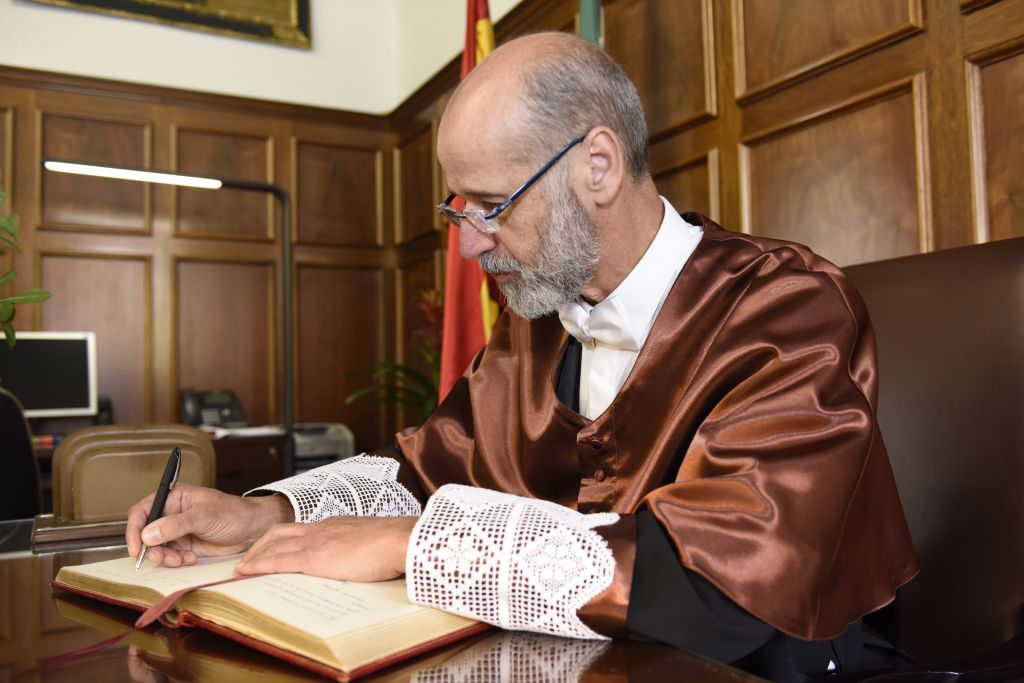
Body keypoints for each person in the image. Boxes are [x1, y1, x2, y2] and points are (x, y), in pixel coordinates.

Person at [127, 32, 918, 681]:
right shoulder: (538, 313)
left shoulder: (791, 306)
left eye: (491, 205)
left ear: (598, 166)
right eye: (457, 205)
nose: (469, 242)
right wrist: (265, 513)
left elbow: (728, 584)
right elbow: (426, 473)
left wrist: (410, 544)